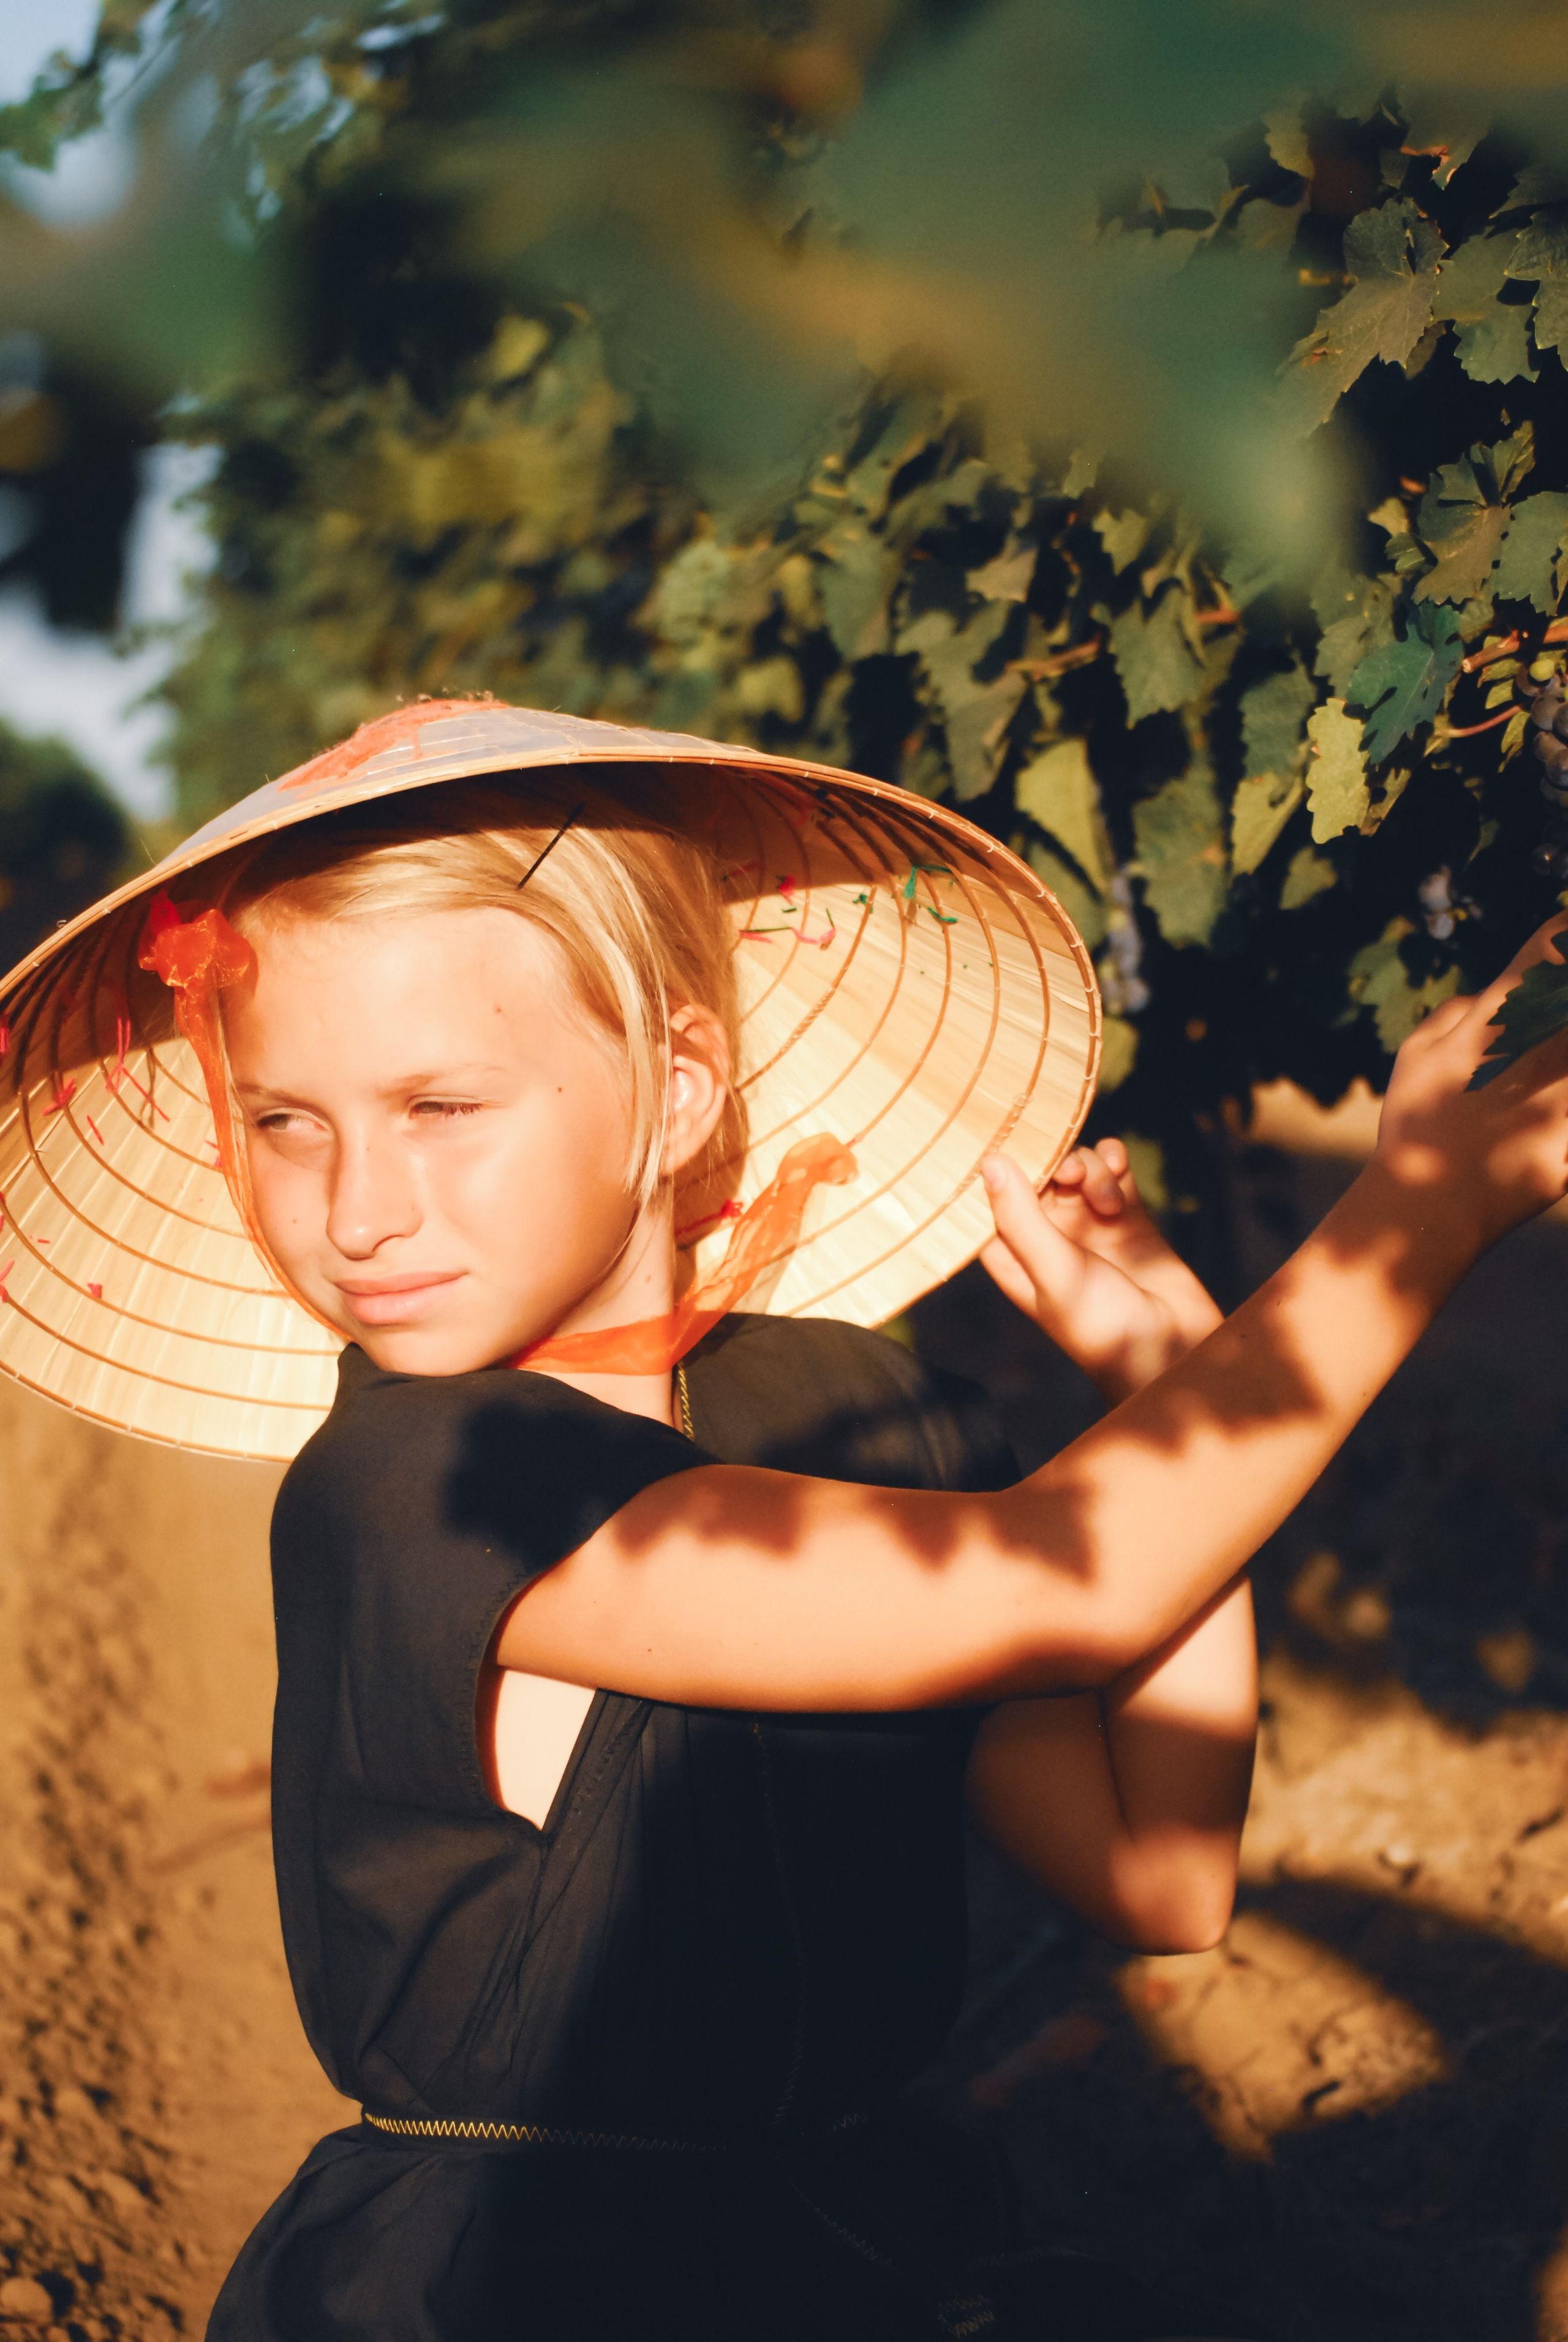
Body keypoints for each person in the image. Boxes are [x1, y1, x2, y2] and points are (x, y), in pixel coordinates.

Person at [1, 702, 1564, 2342]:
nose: (357, 1207)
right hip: (528, 2293)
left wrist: (1161, 1384)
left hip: (839, 2245)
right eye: (285, 1122)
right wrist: (1416, 1215)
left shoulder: (853, 1421)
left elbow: (1157, 1872)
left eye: (440, 1108)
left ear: (677, 1088)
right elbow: (1080, 1582)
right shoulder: (426, 1490)